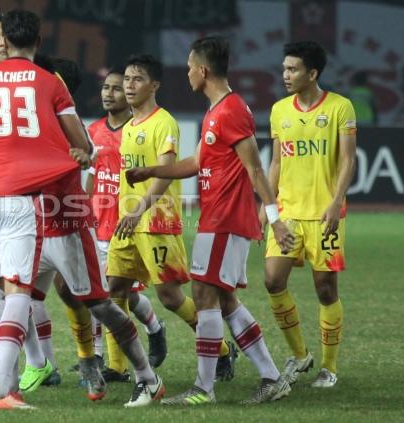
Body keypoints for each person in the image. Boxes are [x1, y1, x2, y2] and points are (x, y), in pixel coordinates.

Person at [0, 9, 161, 410]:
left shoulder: (25, 90)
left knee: (90, 300)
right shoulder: (42, 90)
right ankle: (2, 384)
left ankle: (147, 377)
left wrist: (71, 156)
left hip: (57, 218)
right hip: (28, 212)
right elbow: (83, 152)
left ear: (6, 43)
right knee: (16, 295)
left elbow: (84, 153)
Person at [127, 35, 294, 406]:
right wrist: (150, 170)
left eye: (189, 67)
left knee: (204, 294)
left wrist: (275, 218)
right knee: (225, 299)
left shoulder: (231, 110)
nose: (186, 73)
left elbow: (255, 169)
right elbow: (197, 162)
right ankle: (270, 377)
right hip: (216, 216)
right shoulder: (217, 111)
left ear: (203, 70)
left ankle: (204, 388)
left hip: (225, 218)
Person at [104, 54, 236, 384]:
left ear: (154, 85)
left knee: (169, 297)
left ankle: (220, 349)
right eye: (127, 80)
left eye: (137, 79)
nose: (129, 85)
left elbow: (164, 175)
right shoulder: (130, 126)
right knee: (114, 289)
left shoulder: (164, 123)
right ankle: (117, 366)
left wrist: (138, 210)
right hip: (128, 221)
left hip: (155, 221)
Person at [264, 41, 357, 389]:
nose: (285, 75)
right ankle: (300, 354)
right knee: (273, 280)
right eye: (285, 68)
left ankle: (329, 367)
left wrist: (336, 202)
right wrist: (267, 207)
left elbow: (348, 159)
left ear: (312, 73)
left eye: (293, 69)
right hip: (287, 212)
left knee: (325, 288)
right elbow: (276, 162)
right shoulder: (279, 111)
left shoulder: (340, 108)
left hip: (324, 214)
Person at [84, 66, 167, 374]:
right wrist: (84, 210)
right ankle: (109, 361)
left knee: (124, 294)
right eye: (106, 88)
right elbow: (91, 175)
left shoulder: (137, 130)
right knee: (110, 294)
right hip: (98, 223)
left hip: (129, 222)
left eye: (116, 88)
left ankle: (155, 329)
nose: (109, 93)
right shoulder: (93, 132)